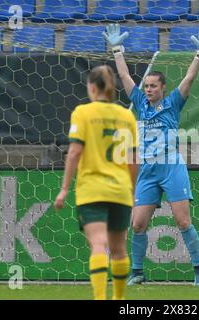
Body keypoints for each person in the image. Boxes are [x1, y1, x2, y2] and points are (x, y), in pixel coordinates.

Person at [102, 24, 199, 286]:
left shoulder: (174, 103)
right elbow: (125, 77)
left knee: (182, 220)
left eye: (154, 86)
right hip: (148, 170)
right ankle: (138, 272)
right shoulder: (141, 103)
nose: (149, 89)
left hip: (171, 166)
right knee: (138, 224)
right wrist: (117, 50)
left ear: (163, 88)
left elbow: (188, 80)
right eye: (147, 85)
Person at [54, 65, 139, 300]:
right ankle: (119, 300)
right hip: (120, 190)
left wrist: (63, 189)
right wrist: (130, 192)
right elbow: (134, 159)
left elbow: (74, 152)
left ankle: (100, 298)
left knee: (99, 245)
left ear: (92, 87)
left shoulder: (83, 113)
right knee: (120, 249)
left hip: (92, 190)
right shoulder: (127, 116)